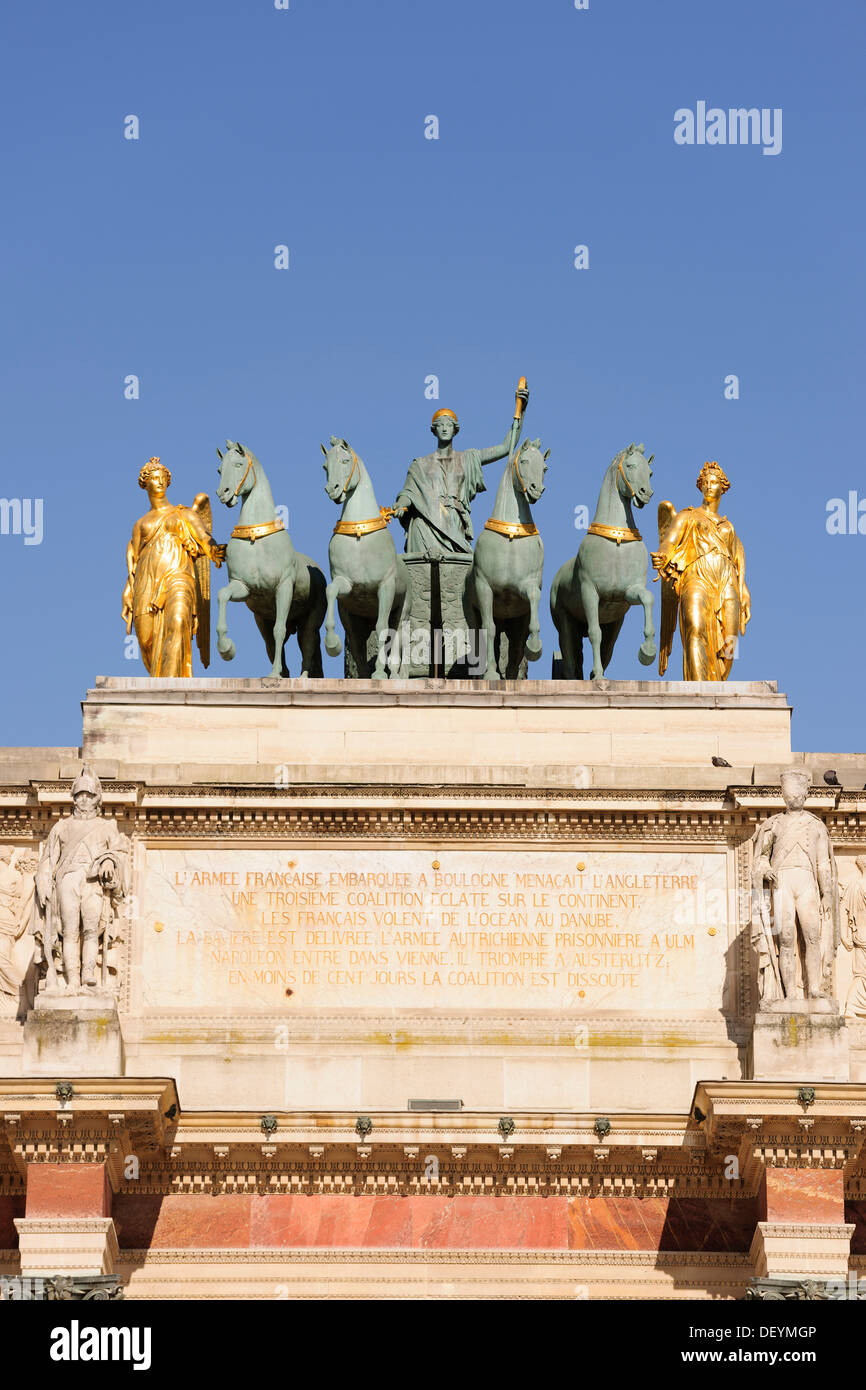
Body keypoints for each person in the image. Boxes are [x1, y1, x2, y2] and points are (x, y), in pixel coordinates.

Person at [394, 388, 529, 557]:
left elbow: (504, 448)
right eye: (440, 425)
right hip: (425, 523)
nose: (444, 428)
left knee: (459, 575)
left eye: (449, 424)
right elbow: (409, 492)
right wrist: (401, 505)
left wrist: (520, 411)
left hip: (455, 521)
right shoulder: (420, 465)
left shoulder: (468, 458)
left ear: (455, 430)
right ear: (434, 430)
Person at [122, 457, 225, 677]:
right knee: (147, 640)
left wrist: (214, 550)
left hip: (179, 578)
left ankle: (171, 690)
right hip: (146, 585)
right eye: (154, 478)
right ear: (145, 484)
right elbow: (135, 562)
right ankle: (159, 688)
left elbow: (204, 538)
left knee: (178, 621)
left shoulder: (183, 513)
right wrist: (128, 591)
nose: (159, 482)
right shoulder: (140, 525)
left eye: (162, 478)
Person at [653, 461, 750, 681]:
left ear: (722, 487)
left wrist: (743, 587)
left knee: (730, 640)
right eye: (705, 482)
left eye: (714, 482)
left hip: (726, 581)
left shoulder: (728, 526)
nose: (708, 486)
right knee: (694, 628)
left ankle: (718, 686)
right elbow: (669, 542)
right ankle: (698, 690)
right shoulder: (687, 516)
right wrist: (662, 555)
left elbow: (737, 555)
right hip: (696, 576)